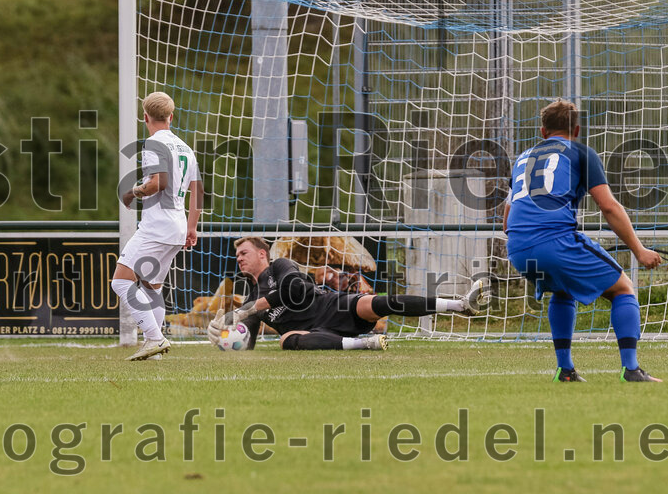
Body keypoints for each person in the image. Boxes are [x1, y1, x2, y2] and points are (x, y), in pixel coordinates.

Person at [504, 100, 663, 383]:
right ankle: (631, 369)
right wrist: (639, 250)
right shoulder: (580, 153)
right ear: (576, 130)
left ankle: (565, 370)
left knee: (562, 290)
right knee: (623, 288)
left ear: (543, 131)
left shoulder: (522, 158)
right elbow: (609, 206)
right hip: (553, 240)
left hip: (517, 248)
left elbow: (506, 219)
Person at [209, 237, 487, 351]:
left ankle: (461, 304)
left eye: (244, 252)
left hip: (334, 307)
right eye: (237, 255)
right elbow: (246, 343)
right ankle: (365, 344)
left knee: (380, 302)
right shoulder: (251, 299)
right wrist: (223, 334)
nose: (239, 258)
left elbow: (293, 289)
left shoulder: (280, 266)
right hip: (314, 333)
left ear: (262, 254)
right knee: (286, 340)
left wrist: (245, 310)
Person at [114, 91, 203, 361]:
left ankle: (155, 338)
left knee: (121, 282)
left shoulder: (153, 143)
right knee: (152, 288)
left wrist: (132, 192)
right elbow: (198, 192)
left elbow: (158, 182)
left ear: (145, 117)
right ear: (171, 117)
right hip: (176, 226)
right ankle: (154, 352)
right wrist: (191, 228)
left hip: (157, 226)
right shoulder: (185, 147)